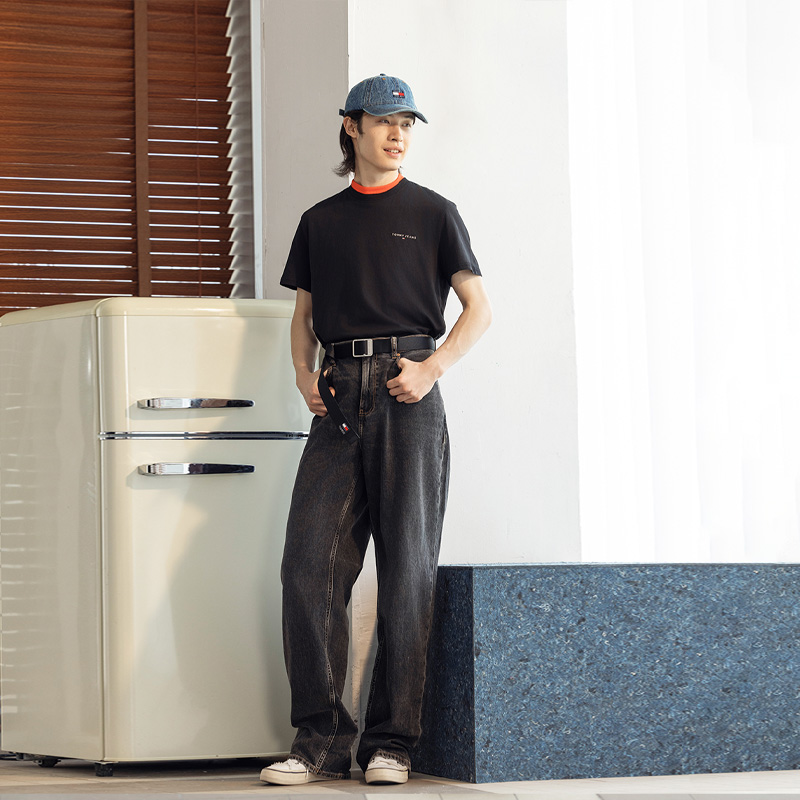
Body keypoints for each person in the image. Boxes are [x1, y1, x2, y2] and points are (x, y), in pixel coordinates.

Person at [260, 73, 491, 787]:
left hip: (406, 392)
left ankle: (393, 743)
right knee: (308, 566)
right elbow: (303, 316)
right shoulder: (320, 221)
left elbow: (479, 308)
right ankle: (321, 742)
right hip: (337, 397)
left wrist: (433, 368)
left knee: (407, 569)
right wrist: (302, 373)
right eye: (386, 121)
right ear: (352, 127)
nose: (398, 134)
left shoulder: (435, 212)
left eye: (407, 124)